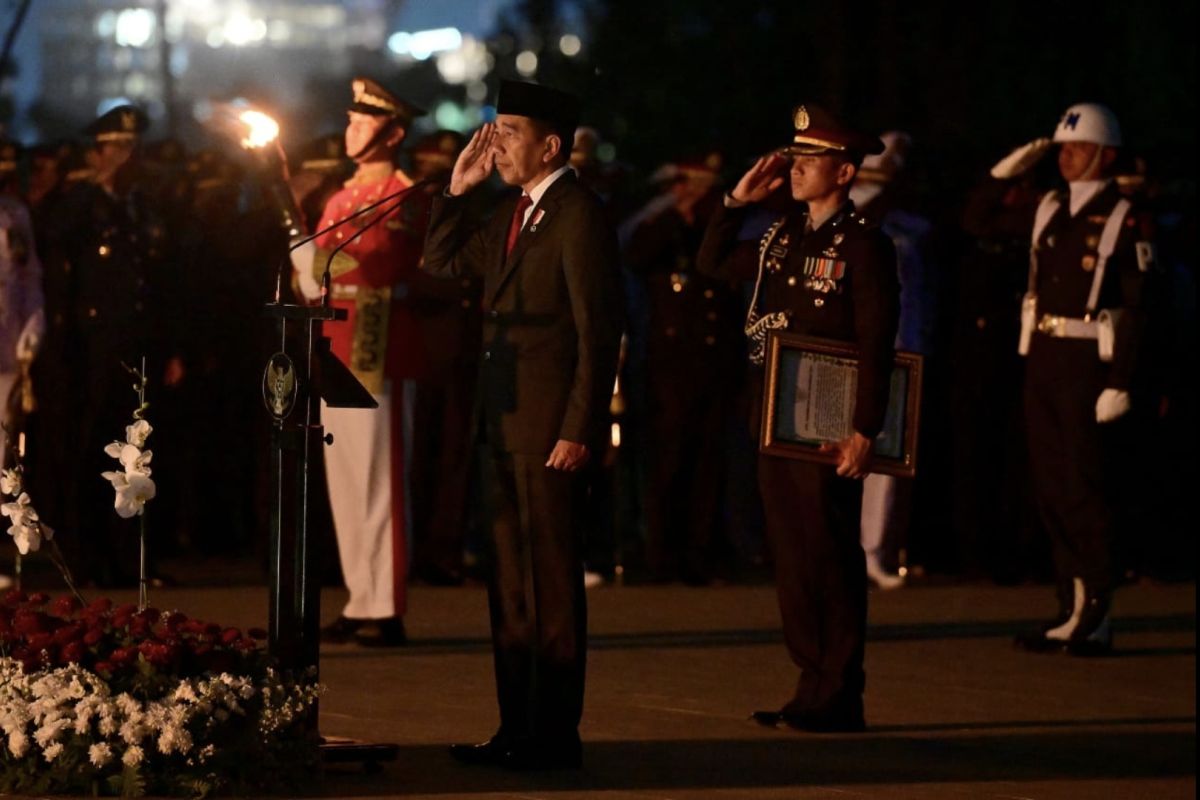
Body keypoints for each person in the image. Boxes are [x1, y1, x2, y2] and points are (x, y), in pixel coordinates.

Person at [422, 80, 623, 770]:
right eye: (494, 127)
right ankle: (515, 728)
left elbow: (600, 333)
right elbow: (441, 263)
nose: (495, 142)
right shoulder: (514, 210)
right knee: (508, 583)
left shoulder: (577, 215)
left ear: (551, 144)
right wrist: (457, 190)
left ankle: (554, 734)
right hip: (502, 422)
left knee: (553, 585)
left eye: (509, 131)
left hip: (549, 428)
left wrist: (581, 427)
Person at [697, 104, 898, 732]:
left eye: (810, 161)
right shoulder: (780, 233)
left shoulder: (865, 243)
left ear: (842, 172)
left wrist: (867, 429)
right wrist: (733, 203)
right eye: (795, 158)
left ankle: (839, 691)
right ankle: (810, 682)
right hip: (774, 417)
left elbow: (876, 339)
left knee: (828, 555)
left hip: (829, 421)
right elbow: (709, 266)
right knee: (791, 555)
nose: (795, 168)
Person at [992, 103, 1152, 656]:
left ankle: (1097, 612)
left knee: (1085, 490)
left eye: (1077, 149)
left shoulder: (1124, 214)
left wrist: (1121, 380)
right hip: (1044, 359)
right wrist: (1005, 174)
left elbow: (1139, 306)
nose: (1065, 158)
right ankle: (1071, 605)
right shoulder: (1052, 208)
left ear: (1106, 155)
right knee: (1052, 490)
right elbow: (977, 222)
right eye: (1061, 148)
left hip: (1088, 366)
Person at [294, 78, 430, 648]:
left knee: (379, 480)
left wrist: (319, 259)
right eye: (349, 118)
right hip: (338, 345)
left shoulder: (406, 193)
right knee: (345, 479)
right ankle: (359, 596)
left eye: (365, 120)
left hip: (379, 346)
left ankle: (384, 603)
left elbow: (379, 264)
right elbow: (320, 278)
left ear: (394, 132)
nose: (352, 129)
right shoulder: (339, 196)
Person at [36, 104, 186, 586]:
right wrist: (90, 185)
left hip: (139, 343)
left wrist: (173, 347)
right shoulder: (81, 202)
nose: (127, 156)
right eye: (117, 147)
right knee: (92, 451)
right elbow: (55, 244)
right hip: (93, 345)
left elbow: (161, 279)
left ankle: (135, 559)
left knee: (139, 454)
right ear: (98, 152)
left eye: (133, 147)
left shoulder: (143, 205)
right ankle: (88, 557)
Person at [623, 150, 742, 584]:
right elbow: (635, 254)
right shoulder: (657, 224)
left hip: (711, 359)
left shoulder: (720, 225)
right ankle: (660, 553)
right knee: (667, 460)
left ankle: (700, 554)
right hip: (669, 361)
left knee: (707, 460)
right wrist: (676, 212)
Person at [848, 131, 935, 590]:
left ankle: (874, 551)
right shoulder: (852, 214)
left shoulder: (908, 225)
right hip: (852, 349)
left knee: (885, 459)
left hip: (901, 347)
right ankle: (845, 550)